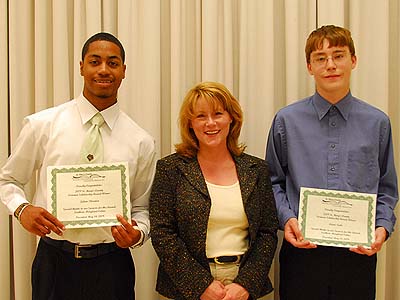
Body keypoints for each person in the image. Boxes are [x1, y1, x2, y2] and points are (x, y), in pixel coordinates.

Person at [0, 32, 156, 300]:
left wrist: (137, 234)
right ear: (81, 67)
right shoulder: (42, 125)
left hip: (113, 265)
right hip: (54, 263)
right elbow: (8, 180)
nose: (104, 70)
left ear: (124, 71)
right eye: (95, 61)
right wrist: (22, 209)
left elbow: (141, 208)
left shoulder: (141, 140)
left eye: (113, 62)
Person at [266, 25, 398, 300]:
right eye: (320, 58)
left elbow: (386, 188)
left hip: (357, 257)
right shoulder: (286, 121)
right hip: (302, 255)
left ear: (353, 60)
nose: (330, 65)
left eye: (338, 55)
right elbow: (273, 181)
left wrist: (382, 229)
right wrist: (287, 217)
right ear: (309, 66)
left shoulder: (378, 123)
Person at [149, 81, 278, 300]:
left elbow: (268, 232)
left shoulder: (256, 170)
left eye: (218, 113)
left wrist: (245, 284)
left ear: (232, 118)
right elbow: (162, 233)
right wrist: (201, 285)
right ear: (190, 123)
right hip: (186, 288)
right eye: (200, 116)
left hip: (245, 287)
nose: (210, 123)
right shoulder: (170, 169)